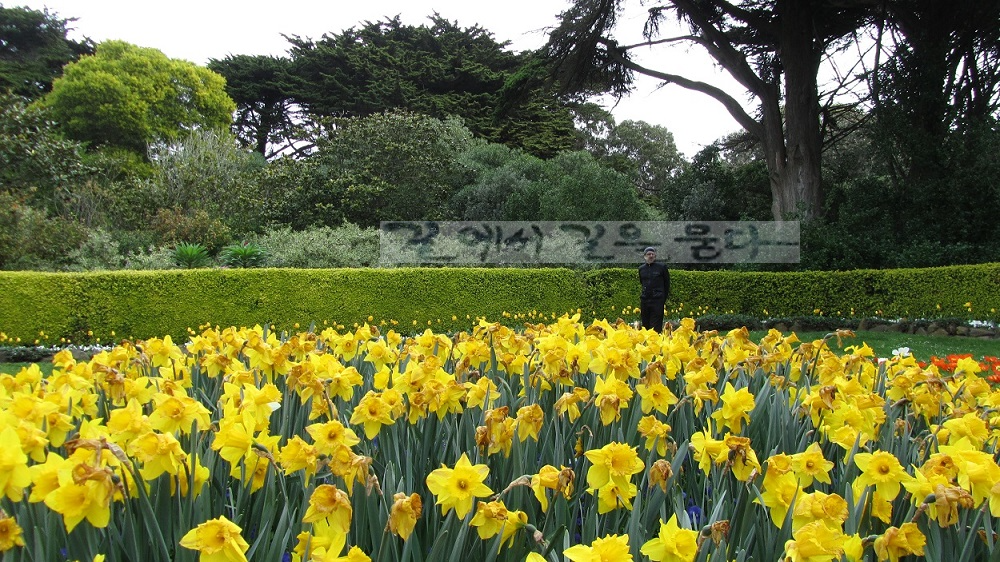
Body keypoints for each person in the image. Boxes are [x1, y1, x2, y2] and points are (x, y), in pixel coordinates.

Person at [638, 246, 669, 332]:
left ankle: (655, 344)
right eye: (648, 254)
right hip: (645, 300)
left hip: (657, 300)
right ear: (645, 256)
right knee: (645, 325)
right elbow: (642, 282)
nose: (651, 256)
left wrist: (662, 299)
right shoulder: (641, 269)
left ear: (655, 256)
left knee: (655, 326)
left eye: (652, 254)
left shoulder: (662, 267)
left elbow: (667, 284)